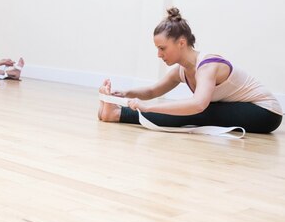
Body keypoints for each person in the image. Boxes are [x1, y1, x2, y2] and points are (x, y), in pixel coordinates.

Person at [97, 7, 282, 133]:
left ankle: (116, 114)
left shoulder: (208, 66)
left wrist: (149, 107)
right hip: (244, 109)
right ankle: (116, 111)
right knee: (196, 108)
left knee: (199, 110)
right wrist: (122, 94)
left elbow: (198, 105)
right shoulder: (182, 70)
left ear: (181, 43)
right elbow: (153, 90)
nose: (159, 55)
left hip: (266, 113)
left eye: (162, 48)